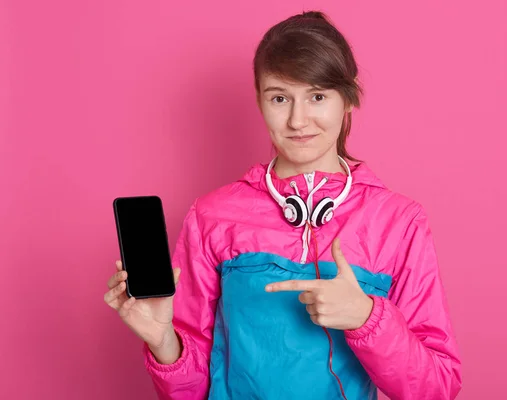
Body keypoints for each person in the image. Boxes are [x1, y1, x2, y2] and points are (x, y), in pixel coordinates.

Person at [104, 10, 462, 400]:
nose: (297, 119)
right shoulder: (211, 216)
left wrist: (366, 317)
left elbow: (437, 388)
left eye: (318, 96)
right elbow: (190, 392)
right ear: (258, 100)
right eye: (279, 98)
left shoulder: (399, 222)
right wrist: (163, 343)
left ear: (350, 98)